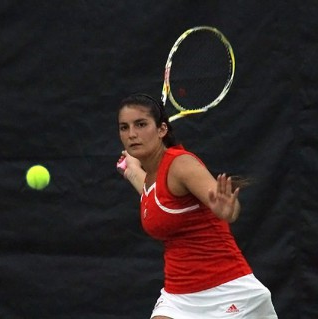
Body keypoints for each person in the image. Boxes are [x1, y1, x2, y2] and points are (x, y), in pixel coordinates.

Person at [116, 93, 277, 319]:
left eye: (141, 125)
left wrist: (226, 210)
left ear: (162, 130)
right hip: (178, 296)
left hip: (227, 291)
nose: (132, 134)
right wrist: (131, 169)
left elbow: (224, 206)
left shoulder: (181, 164)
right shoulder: (152, 176)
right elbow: (149, 191)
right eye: (124, 127)